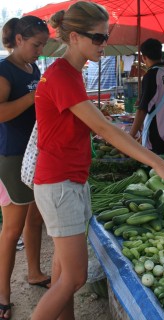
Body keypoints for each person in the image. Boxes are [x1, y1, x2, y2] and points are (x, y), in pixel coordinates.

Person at [30, 2, 164, 320]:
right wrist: (158, 164)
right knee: (74, 279)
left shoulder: (71, 74)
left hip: (69, 180)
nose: (104, 44)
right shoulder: (62, 75)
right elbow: (104, 128)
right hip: (59, 183)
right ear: (75, 36)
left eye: (106, 37)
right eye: (98, 38)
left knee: (64, 272)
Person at [0, 16, 50, 320]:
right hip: (12, 156)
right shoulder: (4, 70)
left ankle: (34, 272)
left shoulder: (34, 69)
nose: (40, 50)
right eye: (36, 44)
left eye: (43, 45)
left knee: (35, 219)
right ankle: (3, 295)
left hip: (35, 153)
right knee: (11, 229)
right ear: (18, 40)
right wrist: (34, 96)